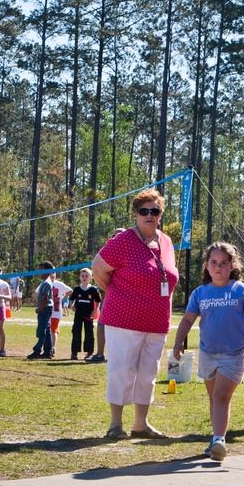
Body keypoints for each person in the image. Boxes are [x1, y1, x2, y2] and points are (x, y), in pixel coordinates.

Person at [171, 242, 244, 461]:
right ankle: (215, 438)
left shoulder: (240, 290)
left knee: (222, 396)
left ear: (232, 266)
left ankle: (220, 440)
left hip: (234, 354)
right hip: (208, 354)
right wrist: (177, 342)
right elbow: (187, 319)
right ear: (206, 266)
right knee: (214, 398)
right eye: (213, 262)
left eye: (224, 263)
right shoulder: (200, 293)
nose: (218, 267)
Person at [92, 188, 179, 440]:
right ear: (136, 213)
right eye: (144, 211)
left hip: (157, 320)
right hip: (123, 318)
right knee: (122, 369)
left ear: (161, 214)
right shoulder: (123, 240)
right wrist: (115, 290)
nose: (149, 215)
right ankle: (115, 424)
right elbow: (98, 268)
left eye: (155, 211)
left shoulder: (166, 242)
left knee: (148, 372)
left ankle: (140, 424)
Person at [87, 228, 125, 363]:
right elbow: (100, 271)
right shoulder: (108, 252)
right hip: (111, 297)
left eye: (120, 235)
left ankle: (117, 356)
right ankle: (99, 354)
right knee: (102, 324)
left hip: (126, 300)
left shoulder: (130, 253)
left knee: (122, 330)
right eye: (114, 235)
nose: (117, 237)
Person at [70, 268, 101, 360]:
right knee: (76, 332)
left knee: (89, 333)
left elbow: (98, 301)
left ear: (91, 278)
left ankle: (89, 352)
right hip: (78, 314)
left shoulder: (93, 290)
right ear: (80, 277)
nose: (84, 278)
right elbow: (72, 299)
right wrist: (71, 305)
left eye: (87, 276)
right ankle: (74, 352)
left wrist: (96, 310)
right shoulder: (77, 289)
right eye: (82, 276)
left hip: (89, 314)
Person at [28, 262, 55, 359]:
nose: (39, 272)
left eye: (41, 270)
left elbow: (45, 298)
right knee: (46, 329)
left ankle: (37, 350)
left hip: (46, 309)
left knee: (42, 330)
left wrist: (41, 309)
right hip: (44, 308)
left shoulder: (47, 283)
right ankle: (48, 352)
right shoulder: (44, 282)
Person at [48, 273, 72, 357]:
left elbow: (70, 290)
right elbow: (37, 292)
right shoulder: (45, 283)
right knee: (46, 330)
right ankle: (47, 347)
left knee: (53, 330)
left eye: (53, 272)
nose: (52, 274)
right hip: (46, 312)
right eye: (50, 272)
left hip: (56, 312)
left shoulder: (59, 284)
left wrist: (62, 298)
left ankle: (53, 347)